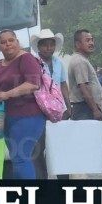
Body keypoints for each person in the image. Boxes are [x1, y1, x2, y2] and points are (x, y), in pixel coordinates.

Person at [0, 30, 44, 179]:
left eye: (11, 40)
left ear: (17, 42)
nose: (8, 44)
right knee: (16, 158)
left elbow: (32, 84)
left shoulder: (27, 59)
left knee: (21, 157)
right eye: (3, 42)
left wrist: (5, 94)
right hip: (5, 117)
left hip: (28, 116)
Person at [29, 28, 71, 179]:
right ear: (39, 47)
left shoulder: (58, 63)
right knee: (39, 148)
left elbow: (63, 84)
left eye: (51, 44)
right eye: (45, 45)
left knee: (60, 147)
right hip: (39, 112)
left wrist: (68, 106)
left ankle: (63, 181)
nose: (49, 48)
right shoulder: (33, 63)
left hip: (59, 111)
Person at [68, 29, 102, 121]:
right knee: (86, 135)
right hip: (84, 109)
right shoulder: (79, 61)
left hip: (86, 108)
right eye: (87, 40)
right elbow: (84, 88)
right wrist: (95, 110)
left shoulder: (83, 60)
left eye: (92, 40)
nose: (91, 43)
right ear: (78, 44)